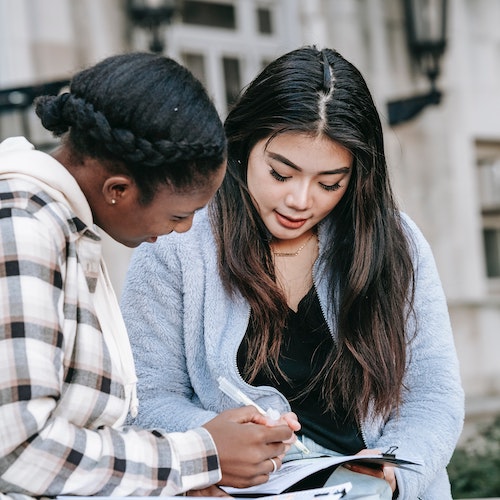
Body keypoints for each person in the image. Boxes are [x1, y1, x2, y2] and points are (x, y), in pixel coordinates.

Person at [120, 46, 465, 499]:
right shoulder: (178, 239)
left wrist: (392, 477)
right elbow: (145, 397)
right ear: (243, 146)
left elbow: (433, 393)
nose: (301, 200)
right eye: (281, 174)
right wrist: (212, 444)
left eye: (329, 183)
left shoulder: (396, 242)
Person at [0, 52, 297, 499]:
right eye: (180, 214)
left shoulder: (61, 223)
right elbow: (20, 450)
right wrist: (201, 455)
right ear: (118, 190)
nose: (185, 230)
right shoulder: (23, 229)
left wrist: (180, 482)